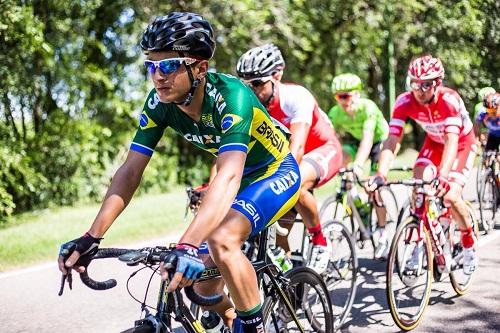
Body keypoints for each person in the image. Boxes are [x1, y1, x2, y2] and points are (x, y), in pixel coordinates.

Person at [58, 12, 301, 333]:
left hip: (274, 171)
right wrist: (92, 237)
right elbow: (131, 170)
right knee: (201, 287)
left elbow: (226, 176)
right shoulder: (159, 103)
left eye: (169, 65)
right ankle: (232, 318)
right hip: (239, 179)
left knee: (222, 240)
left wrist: (187, 244)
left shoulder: (233, 98)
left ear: (199, 68)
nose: (158, 76)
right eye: (152, 66)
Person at [366, 55, 478, 274]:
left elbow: (452, 141)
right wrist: (381, 173)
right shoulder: (404, 102)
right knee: (418, 184)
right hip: (433, 144)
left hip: (461, 144)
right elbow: (392, 140)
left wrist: (443, 175)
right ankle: (418, 240)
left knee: (450, 196)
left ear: (438, 83)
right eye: (414, 83)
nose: (419, 90)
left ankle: (468, 242)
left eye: (426, 84)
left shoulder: (449, 100)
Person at [236, 44, 343, 274]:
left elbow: (297, 148)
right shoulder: (248, 105)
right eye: (246, 85)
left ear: (276, 76)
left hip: (324, 149)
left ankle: (320, 241)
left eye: (257, 83)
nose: (251, 91)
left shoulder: (295, 96)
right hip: (288, 157)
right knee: (274, 227)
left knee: (295, 179)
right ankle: (289, 276)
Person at [328, 73, 391, 259]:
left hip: (379, 141)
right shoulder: (335, 112)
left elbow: (368, 139)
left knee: (375, 187)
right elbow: (331, 139)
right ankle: (357, 201)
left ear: (357, 94)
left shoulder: (368, 108)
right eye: (339, 96)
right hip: (355, 141)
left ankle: (382, 233)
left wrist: (358, 166)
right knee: (342, 156)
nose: (343, 101)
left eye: (346, 96)